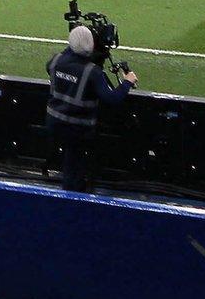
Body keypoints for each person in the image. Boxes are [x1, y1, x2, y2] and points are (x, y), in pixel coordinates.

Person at [45, 25, 138, 193]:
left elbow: (67, 58)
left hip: (53, 122)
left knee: (70, 160)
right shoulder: (93, 73)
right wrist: (127, 82)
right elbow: (112, 99)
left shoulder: (55, 61)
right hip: (78, 128)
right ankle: (75, 195)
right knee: (75, 164)